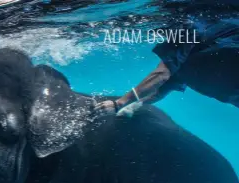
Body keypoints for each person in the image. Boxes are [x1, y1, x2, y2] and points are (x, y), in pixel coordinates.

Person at [95, 20, 239, 115]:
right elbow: (159, 91)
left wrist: (119, 104)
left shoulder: (190, 28)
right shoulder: (189, 62)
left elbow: (161, 75)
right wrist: (133, 106)